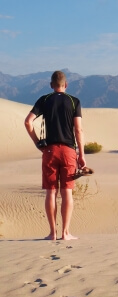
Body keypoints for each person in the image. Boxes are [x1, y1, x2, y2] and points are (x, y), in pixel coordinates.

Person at [24, 70, 86, 241]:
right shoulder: (74, 102)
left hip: (49, 151)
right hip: (69, 152)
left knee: (51, 192)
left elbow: (28, 122)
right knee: (67, 193)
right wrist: (81, 154)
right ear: (66, 85)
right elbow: (78, 130)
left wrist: (38, 143)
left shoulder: (44, 100)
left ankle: (52, 233)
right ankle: (65, 233)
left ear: (51, 85)